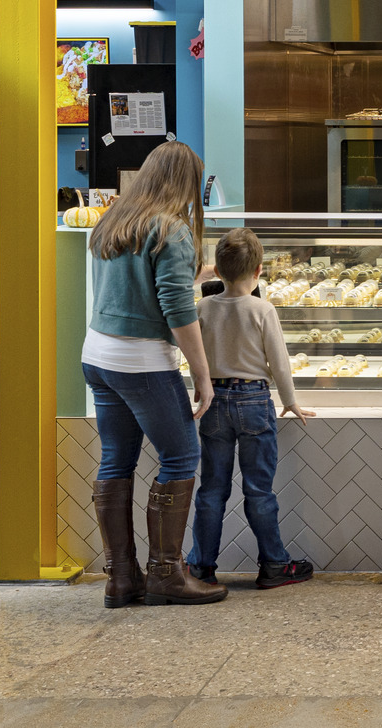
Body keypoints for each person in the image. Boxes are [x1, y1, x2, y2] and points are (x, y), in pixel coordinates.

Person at [81, 140, 224, 608]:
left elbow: (139, 283)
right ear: (185, 183)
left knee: (116, 461)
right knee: (181, 457)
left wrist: (200, 273)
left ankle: (121, 578)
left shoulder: (115, 220)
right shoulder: (172, 229)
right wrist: (202, 375)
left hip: (98, 357)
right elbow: (177, 310)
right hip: (141, 362)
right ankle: (166, 574)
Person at [185, 228, 315, 590]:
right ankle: (273, 564)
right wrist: (290, 401)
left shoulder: (202, 308)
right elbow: (280, 362)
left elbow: (195, 356)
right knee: (259, 489)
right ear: (259, 271)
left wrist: (200, 386)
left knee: (212, 489)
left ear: (217, 271)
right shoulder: (263, 309)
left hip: (215, 401)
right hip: (255, 401)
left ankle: (201, 567)